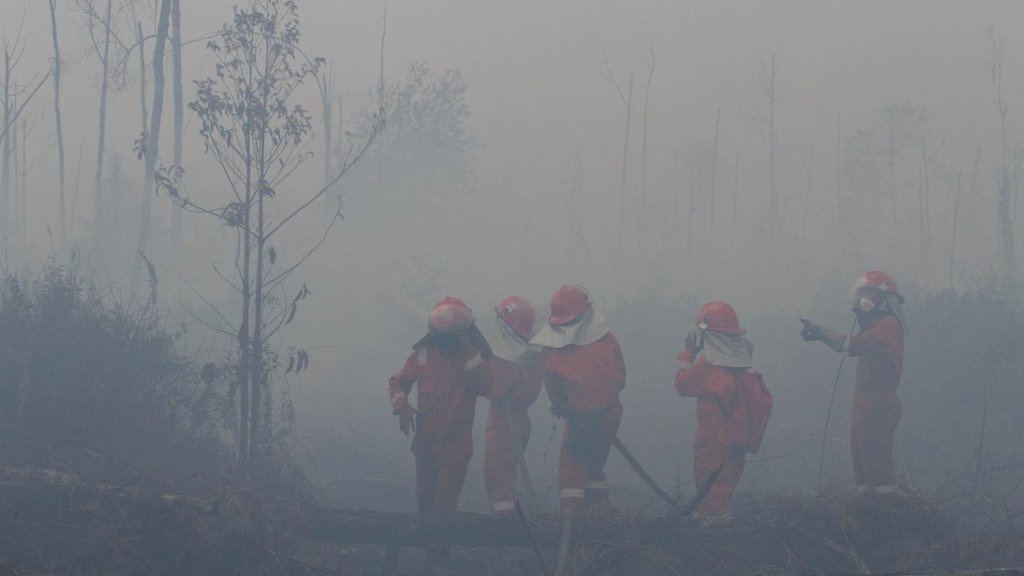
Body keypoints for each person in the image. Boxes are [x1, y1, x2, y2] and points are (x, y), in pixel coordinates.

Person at [800, 271, 906, 495]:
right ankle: (866, 505)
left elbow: (854, 344)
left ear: (884, 297)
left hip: (880, 402)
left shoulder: (889, 325)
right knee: (861, 454)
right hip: (866, 401)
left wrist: (821, 333)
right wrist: (821, 335)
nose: (862, 300)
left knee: (877, 456)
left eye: (868, 293)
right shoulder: (875, 326)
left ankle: (886, 509)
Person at [388, 296, 493, 514]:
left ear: (463, 334)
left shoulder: (472, 358)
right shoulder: (422, 355)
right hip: (426, 439)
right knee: (424, 496)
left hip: (455, 443)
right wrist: (402, 407)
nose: (448, 343)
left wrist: (468, 351)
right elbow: (398, 383)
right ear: (435, 335)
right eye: (443, 337)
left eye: (453, 337)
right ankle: (428, 543)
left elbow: (483, 386)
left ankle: (439, 546)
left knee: (445, 502)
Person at [531, 285, 625, 511]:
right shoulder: (607, 338)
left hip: (581, 421)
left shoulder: (552, 350)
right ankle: (601, 516)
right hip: (612, 413)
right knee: (595, 468)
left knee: (572, 477)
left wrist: (567, 404)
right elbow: (621, 377)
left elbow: (554, 391)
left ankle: (571, 526)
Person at [675, 301, 754, 524]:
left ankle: (714, 532)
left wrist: (688, 355)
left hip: (713, 436)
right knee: (726, 482)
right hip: (736, 432)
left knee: (711, 486)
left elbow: (683, 385)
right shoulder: (740, 362)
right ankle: (718, 521)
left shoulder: (709, 366)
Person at [484, 296, 543, 513]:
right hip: (520, 422)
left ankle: (504, 521)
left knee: (498, 473)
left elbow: (492, 390)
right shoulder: (532, 353)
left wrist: (476, 365)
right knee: (508, 469)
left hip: (504, 422)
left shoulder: (509, 359)